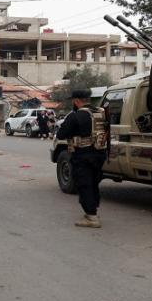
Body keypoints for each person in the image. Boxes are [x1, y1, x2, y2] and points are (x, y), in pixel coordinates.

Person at [56, 89, 107, 229]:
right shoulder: (99, 113)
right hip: (99, 154)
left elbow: (61, 134)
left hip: (83, 156)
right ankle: (93, 211)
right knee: (93, 183)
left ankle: (92, 217)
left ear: (76, 101)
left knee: (84, 185)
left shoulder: (75, 116)